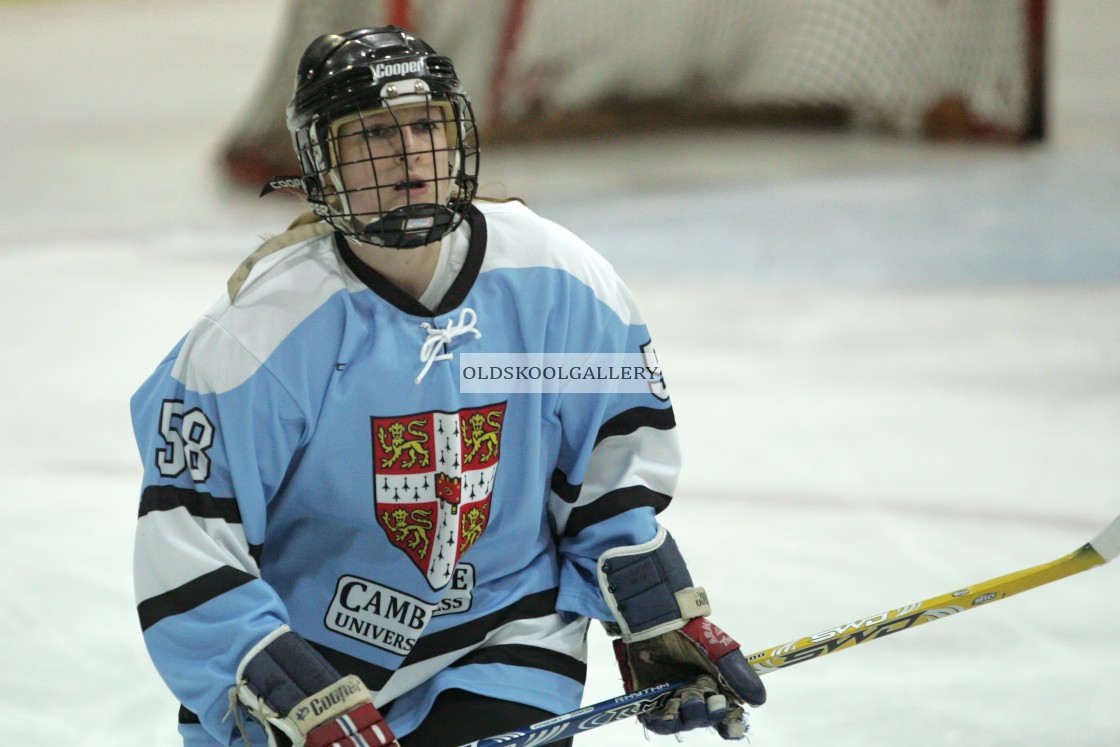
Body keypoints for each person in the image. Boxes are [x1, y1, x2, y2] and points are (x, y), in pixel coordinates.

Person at [132, 26, 765, 747]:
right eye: (373, 133)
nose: (409, 155)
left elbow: (612, 467)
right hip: (311, 672)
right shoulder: (257, 337)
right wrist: (279, 683)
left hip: (505, 635)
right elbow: (187, 545)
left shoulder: (561, 280)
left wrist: (652, 610)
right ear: (321, 160)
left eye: (426, 124)